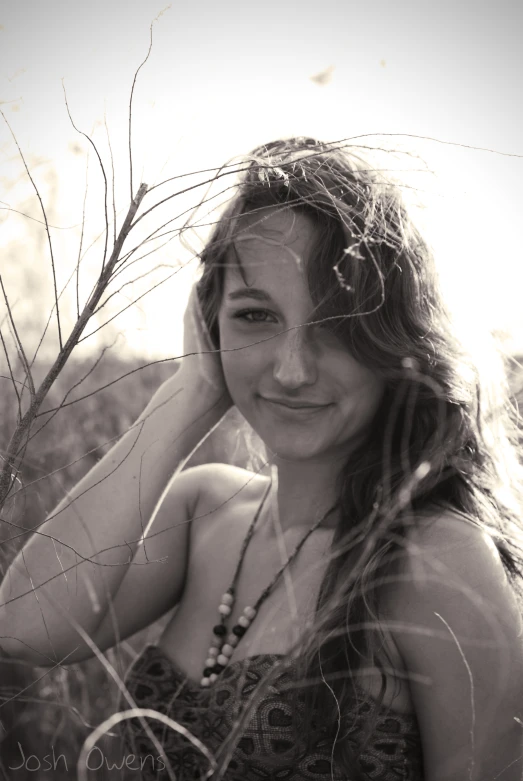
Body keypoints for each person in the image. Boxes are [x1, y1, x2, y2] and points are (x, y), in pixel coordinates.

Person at [1, 137, 523, 780]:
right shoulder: (205, 510)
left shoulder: (435, 557)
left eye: (340, 322)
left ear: (396, 340)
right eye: (255, 316)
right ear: (209, 322)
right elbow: (26, 630)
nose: (292, 369)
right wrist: (192, 393)